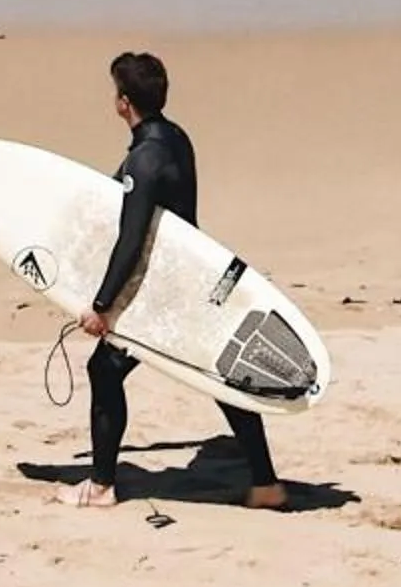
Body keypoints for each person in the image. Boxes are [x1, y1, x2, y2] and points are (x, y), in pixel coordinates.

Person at [57, 47, 289, 511]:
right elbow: (122, 198)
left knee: (104, 370)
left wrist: (102, 307)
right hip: (193, 282)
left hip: (163, 292)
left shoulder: (145, 159)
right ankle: (265, 484)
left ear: (124, 102)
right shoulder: (173, 138)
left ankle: (101, 486)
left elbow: (132, 237)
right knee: (215, 377)